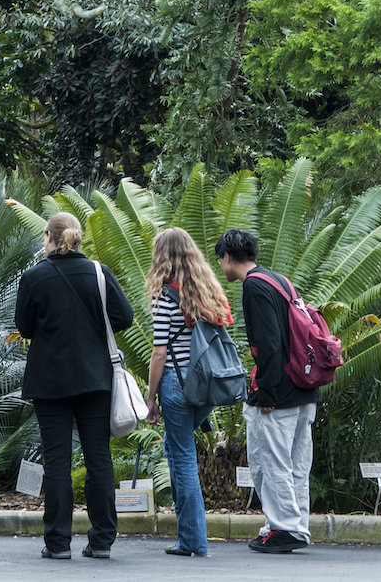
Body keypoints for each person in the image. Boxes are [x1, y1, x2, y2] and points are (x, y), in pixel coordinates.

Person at [15, 212, 134, 560]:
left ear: (49, 237)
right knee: (99, 457)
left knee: (57, 460)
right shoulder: (98, 272)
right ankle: (101, 541)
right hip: (95, 379)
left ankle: (57, 542)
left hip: (50, 381)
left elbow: (24, 326)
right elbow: (124, 317)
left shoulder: (35, 277)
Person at [215, 228, 318, 554]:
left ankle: (283, 529)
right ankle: (295, 526)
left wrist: (267, 393)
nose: (221, 267)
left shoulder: (254, 287)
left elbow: (268, 343)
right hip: (304, 388)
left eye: (221, 260)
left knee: (270, 463)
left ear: (229, 257)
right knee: (297, 464)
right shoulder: (279, 280)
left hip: (280, 393)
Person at [144, 228, 234, 558]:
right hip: (207, 387)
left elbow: (159, 352)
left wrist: (150, 398)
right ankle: (187, 535)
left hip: (177, 386)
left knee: (182, 460)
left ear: (161, 257)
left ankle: (194, 542)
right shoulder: (208, 291)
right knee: (176, 449)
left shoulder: (165, 296)